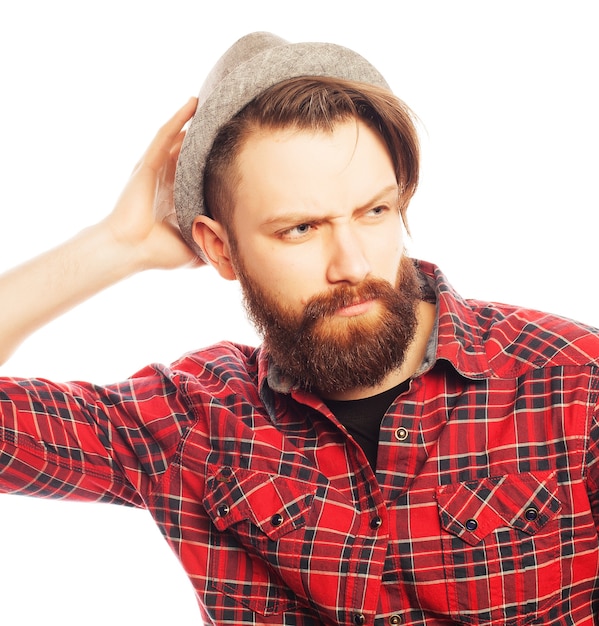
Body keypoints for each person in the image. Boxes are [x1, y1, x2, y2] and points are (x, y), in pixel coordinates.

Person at [1, 30, 598, 626]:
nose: (353, 265)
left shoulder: (575, 382)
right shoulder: (193, 421)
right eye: (301, 229)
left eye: (374, 212)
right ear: (220, 248)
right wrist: (117, 245)